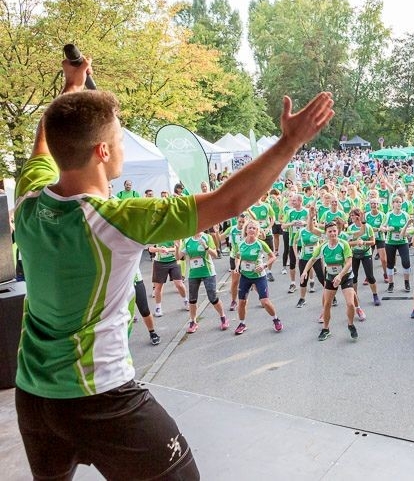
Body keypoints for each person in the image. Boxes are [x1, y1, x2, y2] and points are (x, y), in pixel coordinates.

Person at [13, 56, 333, 480]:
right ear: (102, 150)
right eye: (120, 139)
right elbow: (228, 201)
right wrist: (289, 143)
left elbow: (47, 139)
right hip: (102, 398)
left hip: (34, 397)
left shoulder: (28, 200)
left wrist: (73, 89)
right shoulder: (118, 221)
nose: (124, 146)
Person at [232, 219, 282, 335]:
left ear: (257, 231)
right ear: (246, 230)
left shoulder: (260, 243)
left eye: (254, 228)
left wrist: (264, 265)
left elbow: (272, 257)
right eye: (250, 228)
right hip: (245, 276)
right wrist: (237, 266)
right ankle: (242, 323)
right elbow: (238, 256)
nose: (252, 230)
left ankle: (276, 319)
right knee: (242, 301)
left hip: (259, 276)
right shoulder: (240, 244)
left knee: (264, 301)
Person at [179, 230, 229, 333]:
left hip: (208, 272)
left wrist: (206, 247)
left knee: (213, 298)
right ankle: (193, 322)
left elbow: (215, 254)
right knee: (192, 300)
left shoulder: (207, 237)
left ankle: (223, 317)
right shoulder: (187, 240)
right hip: (193, 273)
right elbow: (178, 257)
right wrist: (176, 247)